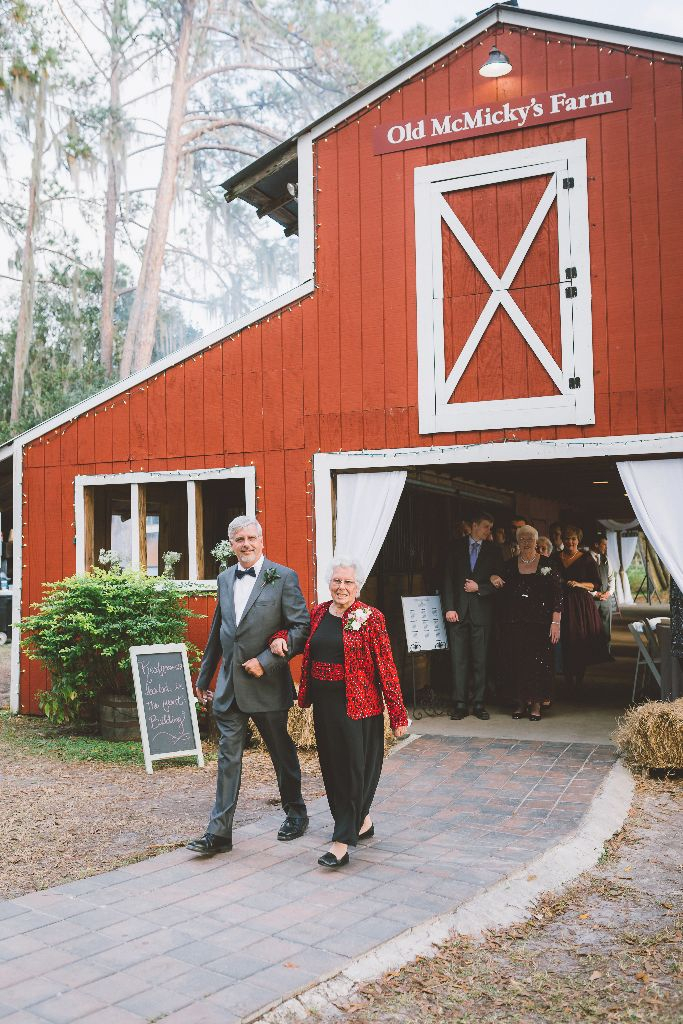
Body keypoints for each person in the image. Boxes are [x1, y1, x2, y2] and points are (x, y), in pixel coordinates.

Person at [187, 516, 311, 856]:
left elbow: (301, 628)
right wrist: (203, 676)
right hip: (229, 688)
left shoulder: (283, 577)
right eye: (239, 539)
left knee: (280, 753)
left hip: (266, 685)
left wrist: (268, 661)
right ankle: (220, 833)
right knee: (228, 758)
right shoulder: (225, 578)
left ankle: (296, 812)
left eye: (251, 537)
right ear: (231, 544)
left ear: (261, 539)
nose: (246, 544)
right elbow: (220, 630)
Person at [292, 557, 408, 869]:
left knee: (354, 771)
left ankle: (341, 842)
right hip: (325, 708)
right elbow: (304, 646)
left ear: (357, 587)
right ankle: (363, 822)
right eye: (337, 581)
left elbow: (387, 668)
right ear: (329, 584)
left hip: (359, 708)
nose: (341, 587)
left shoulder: (371, 617)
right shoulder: (318, 613)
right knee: (333, 770)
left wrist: (397, 714)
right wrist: (278, 640)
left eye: (348, 582)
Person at [492, 526, 562, 721]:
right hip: (514, 623)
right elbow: (496, 579)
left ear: (536, 541)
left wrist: (555, 622)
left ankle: (537, 704)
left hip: (540, 623)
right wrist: (493, 577)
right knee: (517, 662)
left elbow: (558, 595)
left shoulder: (548, 564)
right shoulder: (509, 564)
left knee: (538, 664)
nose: (525, 542)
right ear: (517, 541)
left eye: (529, 538)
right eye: (521, 538)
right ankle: (520, 703)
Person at [443, 510, 504, 720]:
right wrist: (449, 607)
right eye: (486, 526)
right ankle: (460, 703)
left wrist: (481, 587)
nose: (489, 531)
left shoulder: (495, 551)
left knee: (481, 660)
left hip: (482, 613)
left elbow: (500, 583)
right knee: (458, 660)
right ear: (475, 525)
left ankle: (479, 703)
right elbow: (448, 579)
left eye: (491, 528)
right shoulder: (454, 547)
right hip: (458, 612)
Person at [553, 525, 610, 687]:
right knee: (563, 640)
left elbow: (597, 584)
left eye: (573, 538)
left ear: (578, 540)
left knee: (578, 640)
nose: (570, 541)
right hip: (560, 602)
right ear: (562, 540)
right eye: (566, 538)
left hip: (580, 605)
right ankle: (566, 677)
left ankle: (578, 679)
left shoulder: (586, 559)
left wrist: (579, 584)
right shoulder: (555, 557)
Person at [591, 534, 615, 648]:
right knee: (591, 627)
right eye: (604, 544)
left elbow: (611, 578)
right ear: (596, 544)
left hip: (606, 599)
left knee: (606, 627)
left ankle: (607, 652)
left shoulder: (606, 559)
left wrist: (609, 593)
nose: (605, 547)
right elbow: (581, 581)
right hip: (591, 600)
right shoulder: (585, 559)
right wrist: (595, 593)